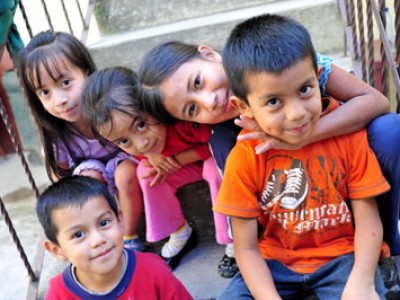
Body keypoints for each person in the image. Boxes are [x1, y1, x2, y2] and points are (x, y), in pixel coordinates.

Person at [138, 38, 400, 278]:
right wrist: (149, 152)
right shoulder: (225, 137)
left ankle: (384, 244)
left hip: (346, 166)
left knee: (390, 132)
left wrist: (299, 136)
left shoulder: (277, 56)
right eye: (193, 109)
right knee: (222, 140)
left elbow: (375, 101)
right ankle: (274, 256)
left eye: (198, 82)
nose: (211, 101)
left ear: (209, 54)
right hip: (293, 219)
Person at [213, 13, 390, 299]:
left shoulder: (348, 135)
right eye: (273, 101)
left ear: (318, 78)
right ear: (243, 106)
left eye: (304, 90)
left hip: (342, 259)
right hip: (273, 262)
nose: (296, 113)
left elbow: (368, 219)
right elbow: (245, 247)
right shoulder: (245, 156)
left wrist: (363, 279)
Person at [81, 66, 227, 270]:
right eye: (124, 140)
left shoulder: (180, 116)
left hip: (210, 156)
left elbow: (216, 144)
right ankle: (179, 231)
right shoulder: (143, 143)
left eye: (141, 125)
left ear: (150, 102)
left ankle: (232, 237)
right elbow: (139, 148)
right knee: (146, 173)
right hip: (182, 166)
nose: (141, 144)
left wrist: (178, 159)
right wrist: (150, 155)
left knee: (214, 170)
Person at [16, 30, 145, 251]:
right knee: (88, 178)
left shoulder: (114, 105)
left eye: (65, 82)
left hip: (127, 164)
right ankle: (101, 235)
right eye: (45, 92)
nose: (60, 100)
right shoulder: (58, 134)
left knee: (125, 173)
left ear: (85, 71)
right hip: (93, 172)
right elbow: (63, 181)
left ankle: (128, 237)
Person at [36, 175, 193, 299]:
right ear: (57, 251)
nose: (98, 240)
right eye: (78, 234)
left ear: (120, 221)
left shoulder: (154, 271)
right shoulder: (59, 295)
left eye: (104, 223)